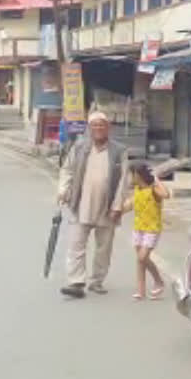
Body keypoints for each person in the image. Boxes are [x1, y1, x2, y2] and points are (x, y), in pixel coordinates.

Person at [56, 111, 130, 299]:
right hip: (81, 203)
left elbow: (124, 180)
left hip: (107, 207)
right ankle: (76, 281)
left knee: (103, 247)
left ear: (108, 128)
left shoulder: (119, 151)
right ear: (89, 128)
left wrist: (117, 206)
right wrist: (63, 189)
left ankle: (97, 281)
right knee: (76, 244)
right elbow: (67, 170)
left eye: (102, 125)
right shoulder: (80, 147)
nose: (98, 128)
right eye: (94, 125)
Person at [121, 162, 169, 300]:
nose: (131, 177)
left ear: (139, 175)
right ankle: (141, 290)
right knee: (141, 260)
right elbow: (130, 205)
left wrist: (156, 180)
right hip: (139, 228)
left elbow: (165, 194)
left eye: (133, 174)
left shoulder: (154, 190)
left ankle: (159, 281)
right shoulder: (137, 189)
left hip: (152, 229)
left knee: (142, 257)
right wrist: (118, 212)